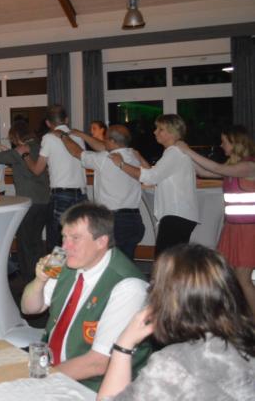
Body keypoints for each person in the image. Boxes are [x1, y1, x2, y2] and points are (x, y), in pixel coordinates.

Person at [97, 244, 255, 400]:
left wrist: (123, 346)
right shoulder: (245, 345)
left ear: (167, 299)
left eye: (155, 284)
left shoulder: (175, 365)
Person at [21, 203, 150, 392]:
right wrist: (40, 280)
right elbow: (29, 308)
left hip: (96, 387)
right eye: (64, 237)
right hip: (53, 367)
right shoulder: (63, 258)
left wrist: (41, 380)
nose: (65, 247)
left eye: (75, 238)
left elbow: (98, 363)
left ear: (101, 242)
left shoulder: (129, 287)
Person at [175, 125, 255, 315]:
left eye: (224, 141)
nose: (221, 145)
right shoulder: (233, 168)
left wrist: (188, 150)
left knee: (243, 278)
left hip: (249, 230)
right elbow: (204, 171)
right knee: (231, 275)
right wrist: (182, 155)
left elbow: (216, 168)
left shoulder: (249, 166)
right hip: (233, 228)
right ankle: (240, 315)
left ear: (236, 143)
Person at [109, 114, 198, 257]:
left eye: (160, 129)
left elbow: (150, 177)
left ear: (172, 132)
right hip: (180, 215)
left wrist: (121, 164)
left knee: (165, 261)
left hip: (176, 216)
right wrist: (140, 159)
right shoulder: (175, 153)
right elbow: (155, 176)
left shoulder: (174, 153)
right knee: (174, 261)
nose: (155, 132)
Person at [58, 125, 147, 260]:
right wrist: (81, 135)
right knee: (126, 263)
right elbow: (103, 147)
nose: (103, 142)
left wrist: (63, 136)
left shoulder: (105, 159)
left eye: (106, 139)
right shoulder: (134, 156)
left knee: (109, 263)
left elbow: (77, 152)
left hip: (115, 221)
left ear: (112, 141)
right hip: (134, 220)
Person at [0, 121, 50, 283]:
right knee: (36, 242)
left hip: (29, 202)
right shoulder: (40, 146)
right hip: (45, 201)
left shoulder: (21, 150)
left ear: (17, 136)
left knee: (24, 243)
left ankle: (28, 281)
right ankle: (41, 279)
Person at [21, 105, 87, 251]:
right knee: (79, 238)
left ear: (48, 123)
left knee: (57, 241)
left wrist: (25, 155)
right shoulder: (78, 136)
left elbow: (37, 170)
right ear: (66, 119)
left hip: (61, 195)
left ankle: (58, 267)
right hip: (81, 194)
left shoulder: (48, 138)